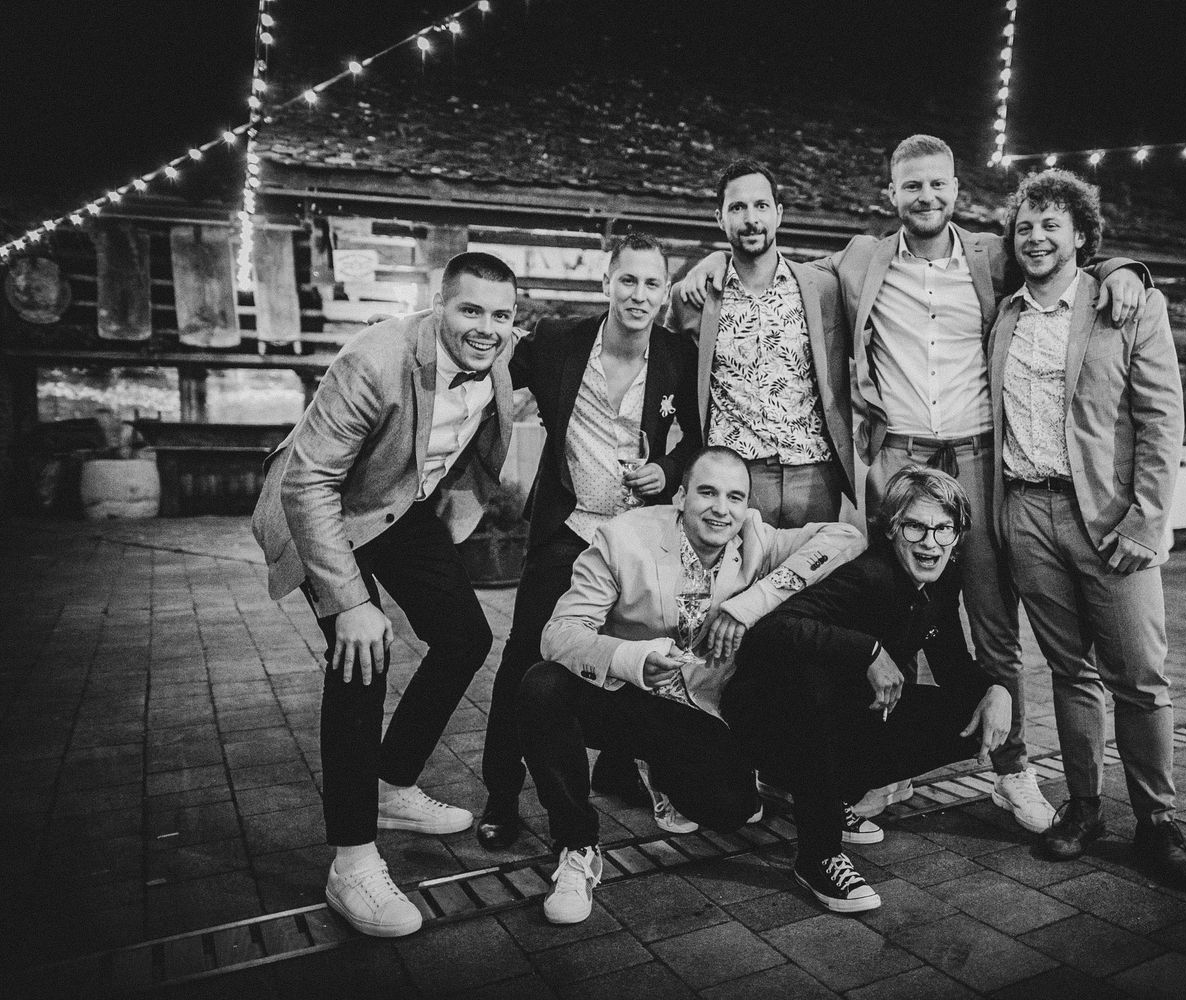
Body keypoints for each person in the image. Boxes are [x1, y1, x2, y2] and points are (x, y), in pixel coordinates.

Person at [683, 134, 1148, 832]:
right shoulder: (862, 258)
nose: (925, 197)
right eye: (911, 187)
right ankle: (871, 767)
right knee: (886, 608)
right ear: (890, 194)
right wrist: (713, 257)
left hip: (977, 454)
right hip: (897, 457)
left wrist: (1124, 267)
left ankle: (1012, 770)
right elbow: (772, 264)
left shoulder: (995, 253)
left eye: (937, 185)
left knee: (992, 620)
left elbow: (1064, 253)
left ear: (957, 190)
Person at [250, 252, 518, 938]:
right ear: (438, 304)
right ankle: (351, 861)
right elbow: (307, 483)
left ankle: (392, 782)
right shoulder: (375, 358)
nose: (486, 328)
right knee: (361, 659)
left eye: (501, 314)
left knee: (466, 637)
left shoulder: (498, 352)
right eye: (470, 310)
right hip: (325, 508)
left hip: (400, 505)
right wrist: (351, 603)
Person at [519, 447, 865, 923]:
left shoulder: (755, 540)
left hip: (700, 711)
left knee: (732, 810)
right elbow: (558, 634)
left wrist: (751, 604)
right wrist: (631, 659)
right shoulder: (623, 539)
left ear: (746, 507)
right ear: (681, 496)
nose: (721, 509)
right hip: (634, 699)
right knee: (542, 687)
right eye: (707, 492)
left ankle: (650, 769)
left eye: (734, 497)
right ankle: (577, 848)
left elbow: (846, 537)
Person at [989, 168, 1186, 889]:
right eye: (1025, 225)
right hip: (1026, 509)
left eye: (1052, 224)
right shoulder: (1005, 311)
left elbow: (1160, 416)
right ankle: (1084, 808)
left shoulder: (1125, 304)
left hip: (1111, 518)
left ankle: (1158, 824)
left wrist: (1148, 519)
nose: (1036, 236)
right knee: (1068, 672)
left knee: (1141, 679)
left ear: (1082, 235)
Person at [476, 232, 701, 851]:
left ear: (663, 292)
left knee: (634, 656)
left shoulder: (678, 356)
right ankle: (501, 792)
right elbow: (492, 370)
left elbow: (698, 437)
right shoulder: (559, 343)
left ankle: (618, 762)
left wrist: (671, 472)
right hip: (569, 531)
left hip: (637, 537)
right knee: (526, 658)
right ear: (608, 283)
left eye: (652, 283)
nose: (639, 293)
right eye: (628, 280)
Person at [723, 466, 1012, 913]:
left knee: (969, 717)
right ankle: (818, 855)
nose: (929, 542)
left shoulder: (939, 581)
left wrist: (996, 692)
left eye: (943, 529)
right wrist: (870, 651)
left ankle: (831, 794)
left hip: (839, 716)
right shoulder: (869, 575)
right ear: (892, 529)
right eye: (915, 526)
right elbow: (772, 631)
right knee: (816, 691)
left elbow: (951, 662)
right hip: (767, 717)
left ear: (957, 535)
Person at [667, 159, 856, 527]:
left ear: (779, 214)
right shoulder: (693, 297)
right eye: (737, 207)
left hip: (814, 474)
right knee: (737, 583)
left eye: (761, 206)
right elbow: (662, 370)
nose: (751, 218)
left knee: (810, 583)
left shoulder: (821, 287)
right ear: (719, 218)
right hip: (734, 477)